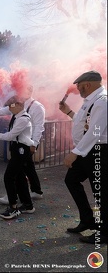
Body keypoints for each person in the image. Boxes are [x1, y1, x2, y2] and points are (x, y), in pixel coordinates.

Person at [58, 70, 107, 244]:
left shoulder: (102, 101)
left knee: (100, 191)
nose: (77, 89)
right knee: (71, 180)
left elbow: (94, 132)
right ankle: (88, 220)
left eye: (79, 85)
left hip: (98, 151)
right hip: (87, 151)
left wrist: (75, 153)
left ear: (87, 84)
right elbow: (82, 121)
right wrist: (69, 112)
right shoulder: (90, 101)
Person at [0, 85, 45, 203]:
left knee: (16, 171)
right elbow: (2, 111)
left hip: (27, 143)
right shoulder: (16, 104)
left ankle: (13, 197)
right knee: (27, 168)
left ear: (30, 91)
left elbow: (39, 127)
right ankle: (35, 192)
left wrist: (35, 143)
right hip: (19, 142)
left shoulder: (37, 107)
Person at [0, 96, 35, 219]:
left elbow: (10, 135)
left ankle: (13, 208)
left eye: (11, 106)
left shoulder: (23, 119)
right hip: (17, 148)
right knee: (20, 177)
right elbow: (0, 111)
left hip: (21, 150)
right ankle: (28, 205)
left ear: (18, 105)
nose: (9, 108)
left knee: (9, 177)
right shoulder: (17, 114)